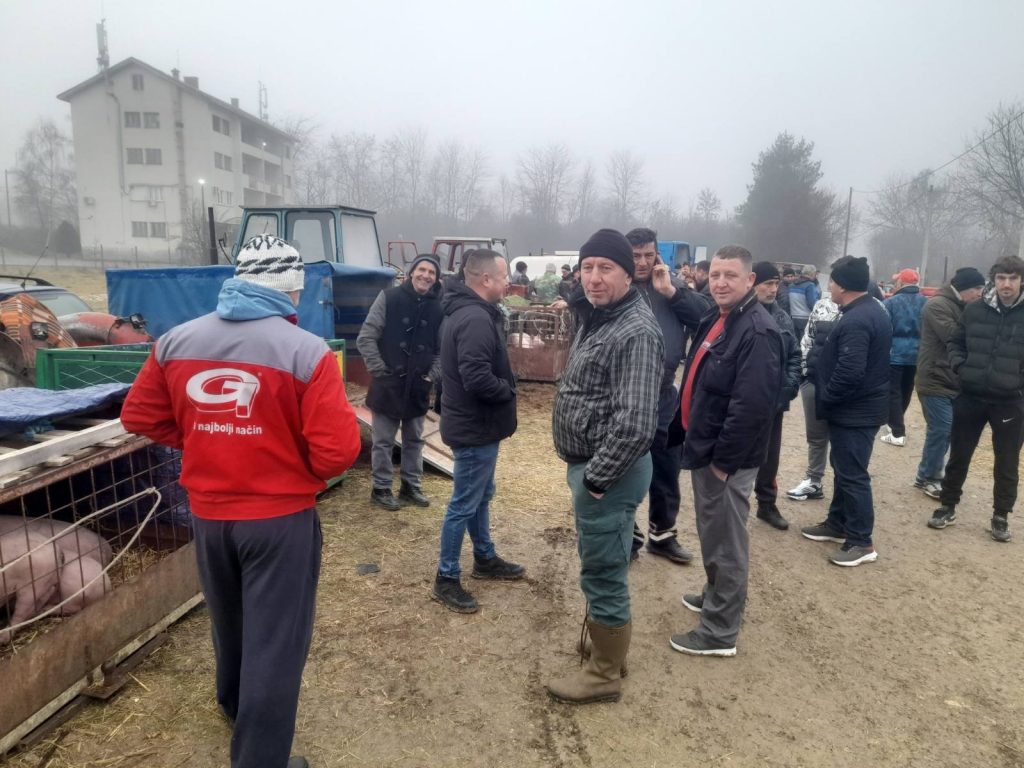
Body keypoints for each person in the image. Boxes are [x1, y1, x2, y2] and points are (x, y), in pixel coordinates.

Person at [121, 234, 361, 768]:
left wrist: (206, 440)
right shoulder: (306, 352)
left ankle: (234, 705)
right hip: (278, 521)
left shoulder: (175, 342)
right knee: (275, 645)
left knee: (229, 621)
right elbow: (338, 452)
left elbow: (139, 416)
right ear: (291, 288)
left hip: (208, 516)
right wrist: (290, 466)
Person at [545, 228, 663, 704]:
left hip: (609, 473)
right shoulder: (601, 315)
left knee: (603, 570)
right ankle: (606, 647)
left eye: (605, 268)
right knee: (601, 560)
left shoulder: (635, 331)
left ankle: (604, 674)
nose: (593, 278)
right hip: (595, 467)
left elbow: (636, 424)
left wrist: (595, 480)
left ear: (628, 273)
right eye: (587, 267)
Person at [670, 245, 782, 657]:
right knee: (713, 532)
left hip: (725, 459)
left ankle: (719, 631)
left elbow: (752, 408)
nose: (720, 282)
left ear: (749, 280)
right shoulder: (718, 318)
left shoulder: (757, 331)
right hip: (706, 446)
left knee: (727, 541)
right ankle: (715, 595)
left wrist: (723, 463)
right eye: (715, 274)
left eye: (730, 275)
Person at [433, 249, 524, 613]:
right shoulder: (474, 318)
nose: (508, 283)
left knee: (480, 495)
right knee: (463, 503)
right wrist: (509, 390)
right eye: (503, 277)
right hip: (474, 428)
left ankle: (484, 557)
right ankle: (446, 577)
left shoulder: (471, 312)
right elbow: (476, 378)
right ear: (486, 279)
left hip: (476, 425)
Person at [621, 228, 707, 563]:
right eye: (635, 256)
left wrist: (671, 291)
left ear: (657, 254)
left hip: (663, 394)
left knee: (667, 467)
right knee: (624, 468)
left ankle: (662, 534)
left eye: (648, 255)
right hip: (625, 395)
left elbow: (705, 317)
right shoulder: (617, 287)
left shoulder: (671, 286)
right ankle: (627, 535)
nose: (642, 263)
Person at [801, 256, 891, 567]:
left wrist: (827, 397)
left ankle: (861, 541)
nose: (829, 287)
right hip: (856, 410)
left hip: (855, 412)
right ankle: (837, 523)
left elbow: (850, 371)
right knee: (844, 469)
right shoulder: (867, 310)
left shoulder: (858, 319)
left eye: (832, 282)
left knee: (853, 475)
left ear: (842, 285)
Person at [930, 255, 1024, 541]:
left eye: (1013, 278)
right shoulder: (974, 310)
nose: (1006, 284)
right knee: (959, 454)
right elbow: (955, 341)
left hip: (1010, 400)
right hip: (970, 395)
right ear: (993, 280)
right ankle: (947, 505)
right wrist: (961, 367)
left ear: (1021, 281)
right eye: (1001, 278)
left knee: (1007, 461)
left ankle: (1001, 516)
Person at [356, 253, 442, 510]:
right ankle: (381, 488)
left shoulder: (438, 307)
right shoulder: (389, 298)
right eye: (422, 269)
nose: (426, 275)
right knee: (383, 441)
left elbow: (443, 349)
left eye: (432, 272)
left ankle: (410, 486)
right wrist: (378, 369)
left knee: (414, 439)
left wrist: (432, 375)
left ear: (436, 279)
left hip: (418, 385)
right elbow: (366, 337)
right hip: (388, 383)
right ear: (411, 272)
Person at [913, 267, 986, 499]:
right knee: (942, 429)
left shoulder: (963, 305)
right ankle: (931, 477)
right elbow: (955, 336)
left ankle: (926, 474)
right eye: (977, 289)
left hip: (952, 379)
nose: (980, 294)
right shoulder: (937, 306)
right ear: (964, 288)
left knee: (946, 430)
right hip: (934, 378)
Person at [750, 262, 801, 530]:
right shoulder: (740, 314)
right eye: (767, 284)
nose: (773, 289)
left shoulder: (782, 317)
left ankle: (767, 503)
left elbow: (794, 355)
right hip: (743, 400)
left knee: (770, 456)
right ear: (752, 283)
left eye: (775, 284)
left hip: (773, 401)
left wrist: (788, 386)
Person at [786, 294, 840, 502]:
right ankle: (813, 481)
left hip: (846, 386)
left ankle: (844, 487)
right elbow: (807, 339)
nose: (830, 286)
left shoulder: (871, 309)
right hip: (814, 380)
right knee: (816, 435)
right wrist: (805, 372)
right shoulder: (822, 305)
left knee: (843, 438)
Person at [880, 268, 928, 447]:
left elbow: (884, 329)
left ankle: (897, 431)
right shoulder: (926, 302)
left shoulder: (890, 303)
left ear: (900, 282)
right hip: (917, 353)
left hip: (895, 352)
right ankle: (895, 421)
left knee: (893, 391)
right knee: (907, 389)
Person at [788, 264, 821, 339]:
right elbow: (812, 304)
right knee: (804, 342)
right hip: (805, 318)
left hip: (793, 317)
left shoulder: (791, 285)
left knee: (795, 341)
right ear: (812, 274)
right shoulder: (810, 286)